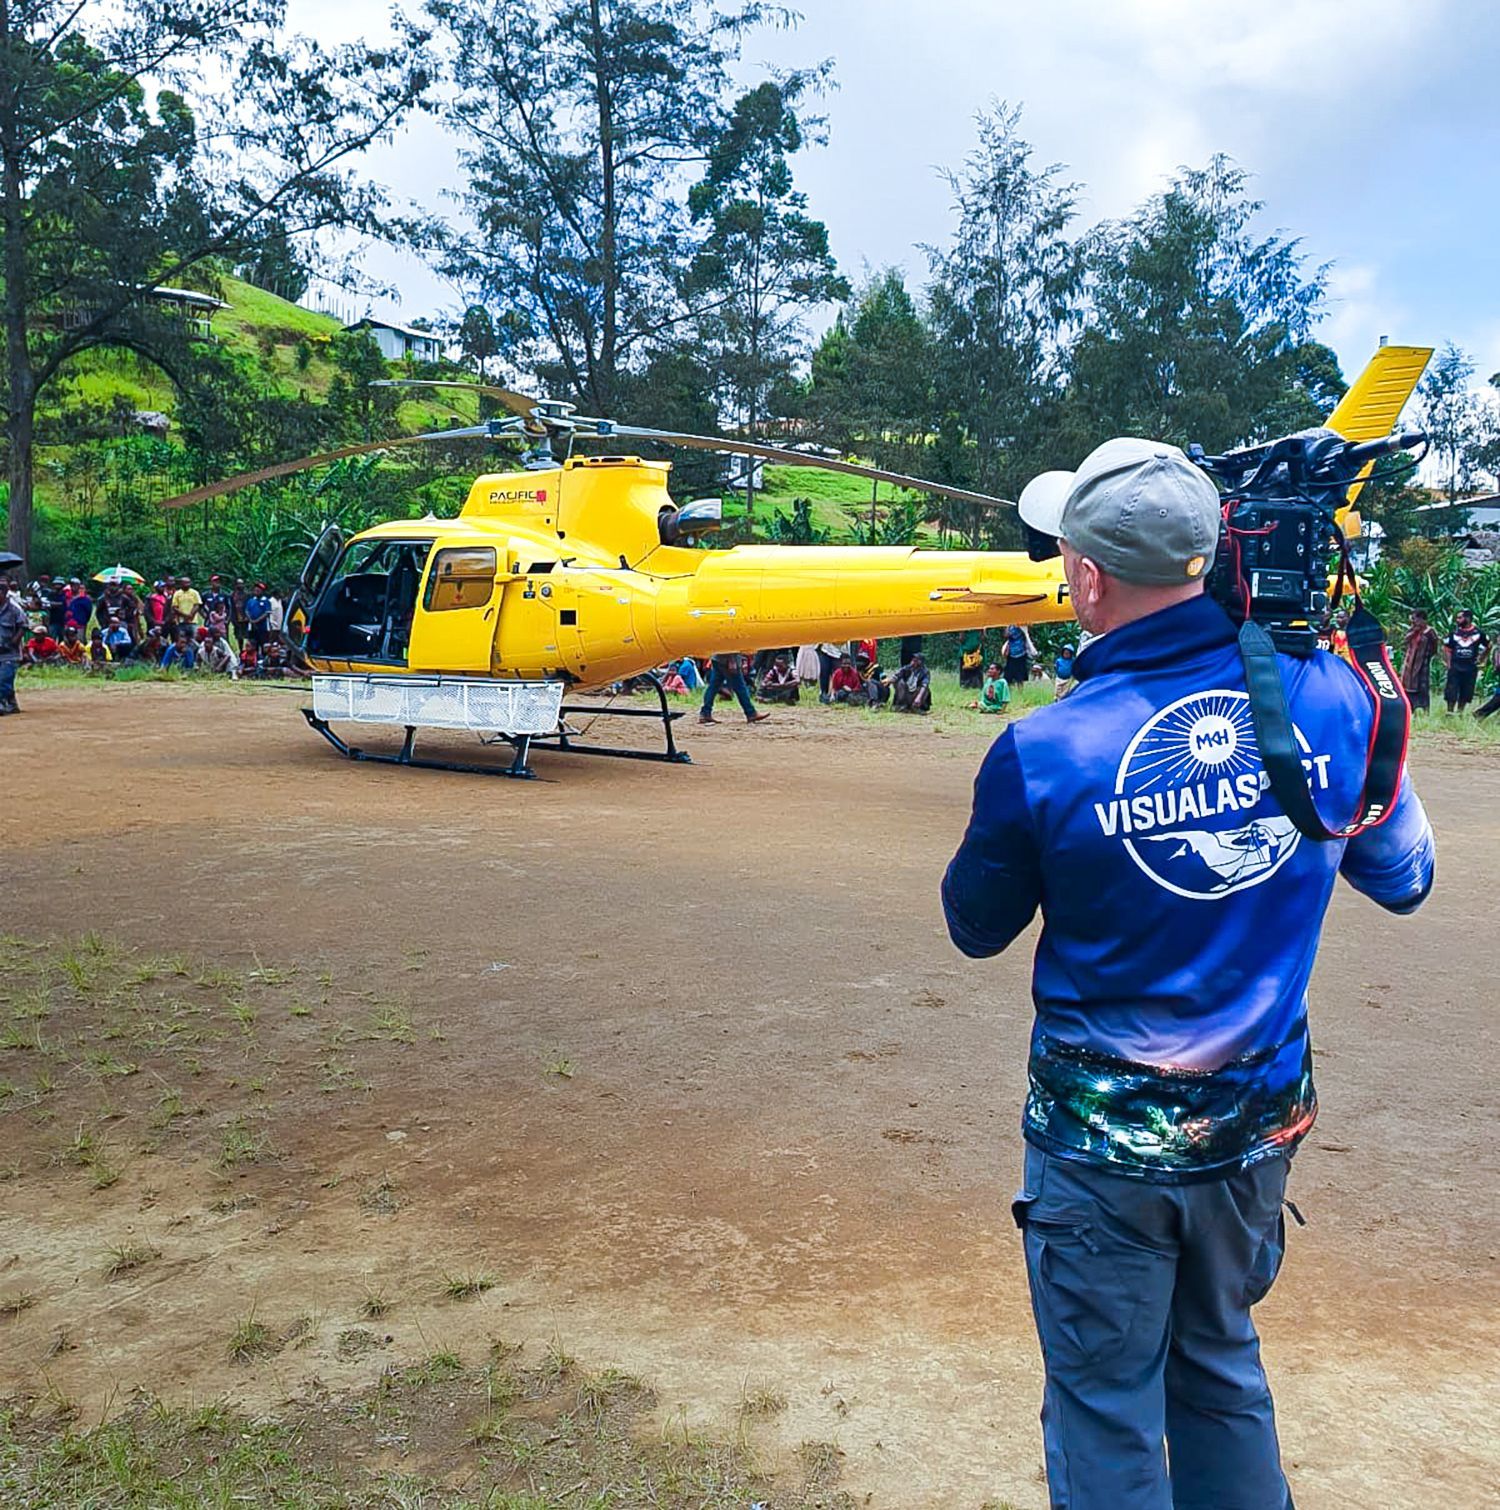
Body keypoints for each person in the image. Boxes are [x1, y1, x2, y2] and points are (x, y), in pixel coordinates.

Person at [943, 438, 1435, 1510]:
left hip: (1101, 1155)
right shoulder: (1328, 697)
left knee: (1105, 1403)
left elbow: (973, 925)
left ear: (1085, 577)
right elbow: (1407, 877)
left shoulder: (1046, 748)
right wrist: (1350, 716)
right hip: (1254, 1138)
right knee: (1219, 1372)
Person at [699, 650, 770, 725]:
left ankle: (705, 713)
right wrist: (732, 660)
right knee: (740, 687)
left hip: (717, 657)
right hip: (726, 659)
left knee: (713, 687)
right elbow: (730, 642)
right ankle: (751, 713)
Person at [1442, 609, 1488, 713]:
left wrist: (1481, 658)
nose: (1457, 620)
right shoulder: (1454, 633)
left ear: (1467, 618)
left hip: (1470, 667)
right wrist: (1449, 664)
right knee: (1451, 690)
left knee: (1466, 691)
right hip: (1455, 666)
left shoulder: (1478, 633)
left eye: (1459, 618)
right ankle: (1449, 712)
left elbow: (1488, 645)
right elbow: (1447, 648)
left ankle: (1460, 712)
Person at [1400, 609, 1439, 713]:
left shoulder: (1430, 632)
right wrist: (1414, 631)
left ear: (1423, 620)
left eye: (1416, 619)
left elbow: (1434, 648)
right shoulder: (1412, 631)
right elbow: (1404, 641)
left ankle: (1424, 709)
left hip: (1422, 665)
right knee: (1407, 686)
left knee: (1422, 687)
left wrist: (1426, 657)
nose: (1414, 622)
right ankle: (1409, 709)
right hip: (1409, 665)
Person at [0, 578, 27, 715]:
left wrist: (15, 641)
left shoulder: (15, 609)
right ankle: (11, 702)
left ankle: (2, 703)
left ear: (4, 593)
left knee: (4, 677)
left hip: (9, 652)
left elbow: (24, 626)